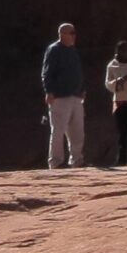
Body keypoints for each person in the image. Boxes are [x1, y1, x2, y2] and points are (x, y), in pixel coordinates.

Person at [42, 23, 88, 168]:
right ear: (62, 34)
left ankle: (77, 160)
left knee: (78, 131)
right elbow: (47, 72)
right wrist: (49, 91)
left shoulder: (72, 50)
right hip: (60, 97)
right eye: (71, 33)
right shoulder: (54, 50)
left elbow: (78, 71)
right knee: (58, 130)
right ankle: (55, 162)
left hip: (75, 96)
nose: (74, 35)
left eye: (74, 32)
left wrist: (82, 88)